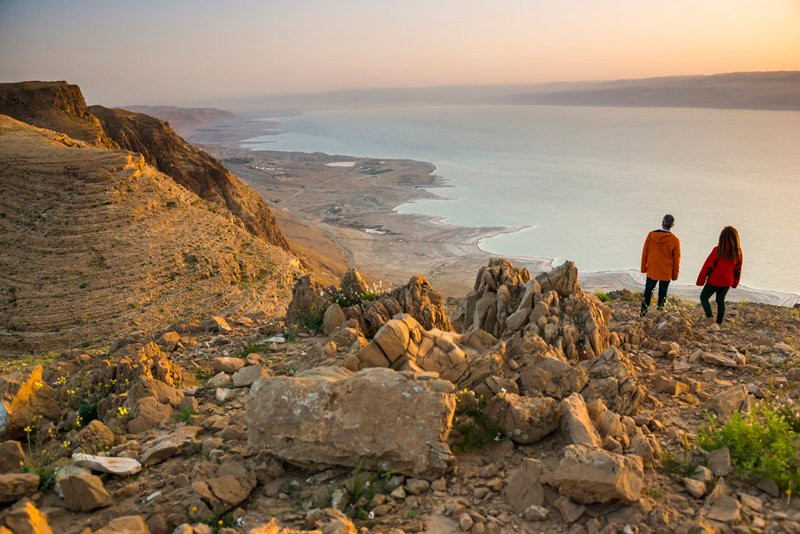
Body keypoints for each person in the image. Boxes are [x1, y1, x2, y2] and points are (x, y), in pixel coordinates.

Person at [696, 226, 743, 325]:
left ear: (721, 237)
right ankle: (718, 323)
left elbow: (707, 266)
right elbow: (738, 271)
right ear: (736, 239)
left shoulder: (717, 250)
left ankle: (710, 318)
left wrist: (701, 281)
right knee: (720, 300)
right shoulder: (738, 252)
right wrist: (734, 283)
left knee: (703, 297)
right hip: (727, 281)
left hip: (714, 280)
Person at [640, 214, 681, 316]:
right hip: (666, 271)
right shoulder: (675, 240)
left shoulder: (651, 235)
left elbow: (645, 252)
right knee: (663, 293)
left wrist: (643, 268)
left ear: (662, 222)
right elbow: (677, 260)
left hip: (652, 269)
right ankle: (659, 313)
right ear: (673, 225)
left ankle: (643, 313)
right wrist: (675, 274)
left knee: (648, 291)